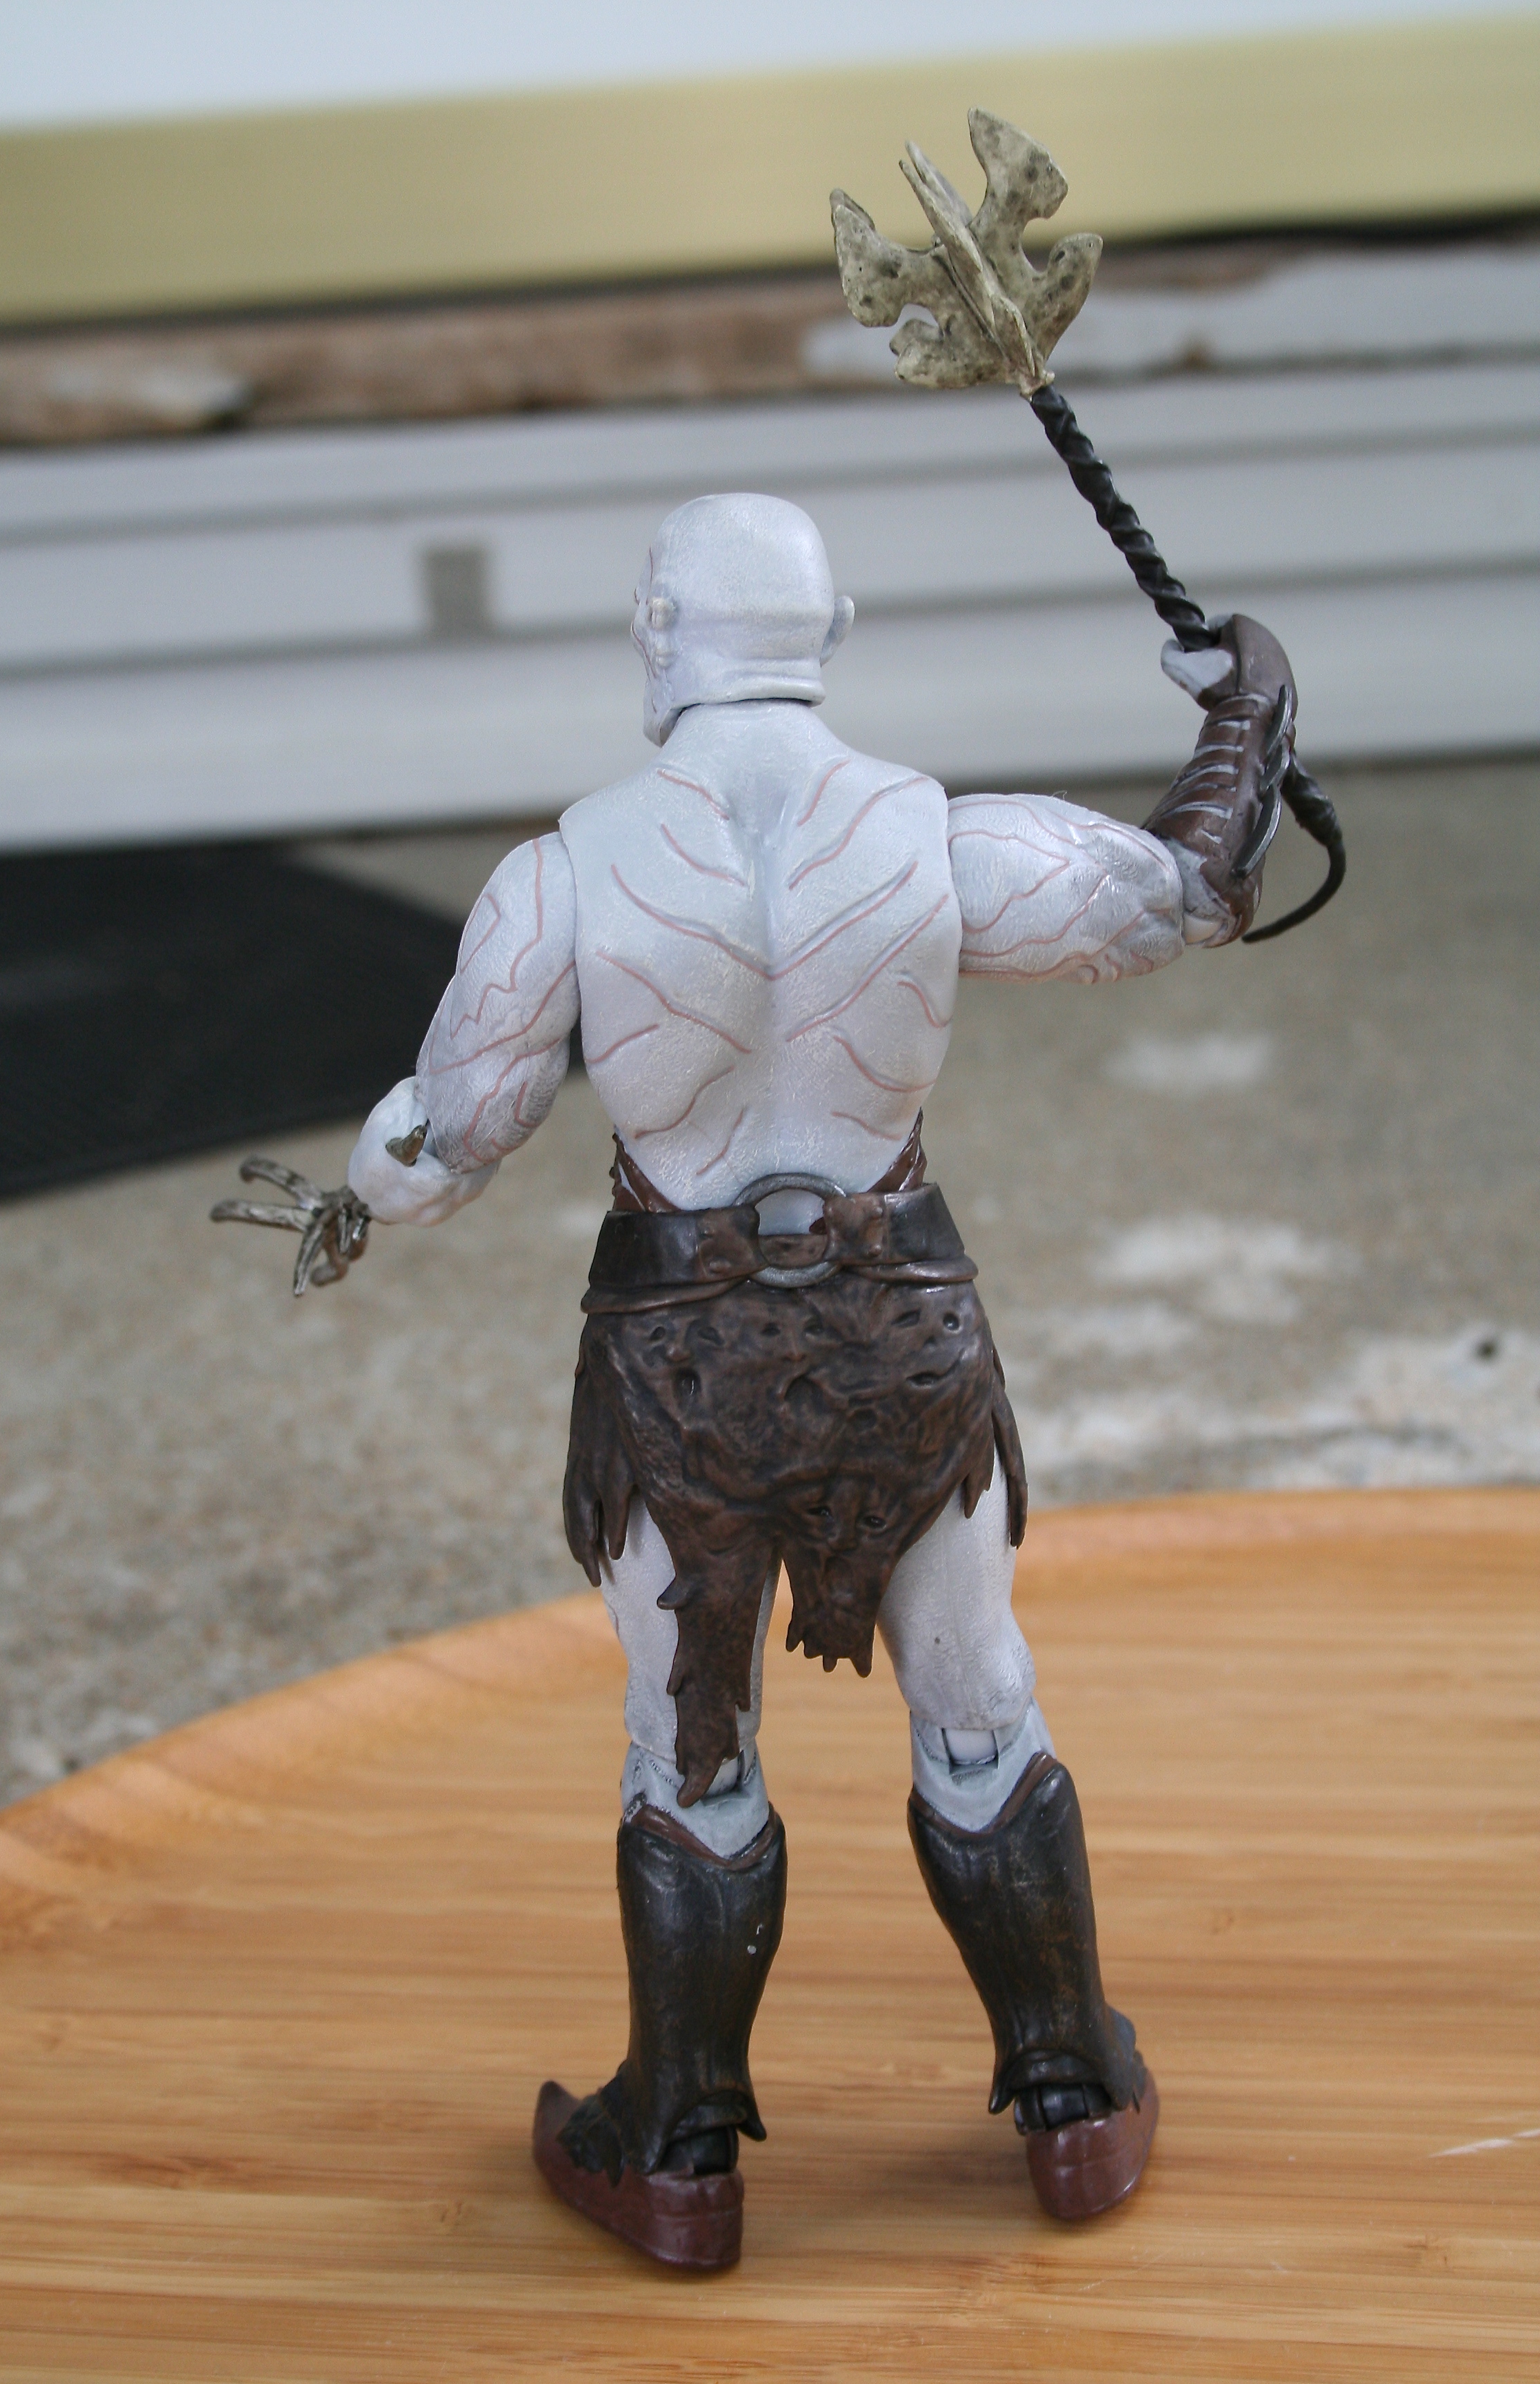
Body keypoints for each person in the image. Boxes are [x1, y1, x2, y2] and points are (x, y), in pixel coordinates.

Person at [337, 490, 1294, 2268]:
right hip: (899, 1334)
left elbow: (453, 1136)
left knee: (688, 1744)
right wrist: (1250, 708)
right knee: (978, 1699)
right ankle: (1076, 2097)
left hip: (679, 1362)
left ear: (652, 636)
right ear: (833, 635)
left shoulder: (563, 875)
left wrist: (360, 1187)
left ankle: (680, 2154)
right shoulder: (930, 837)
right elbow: (1185, 894)